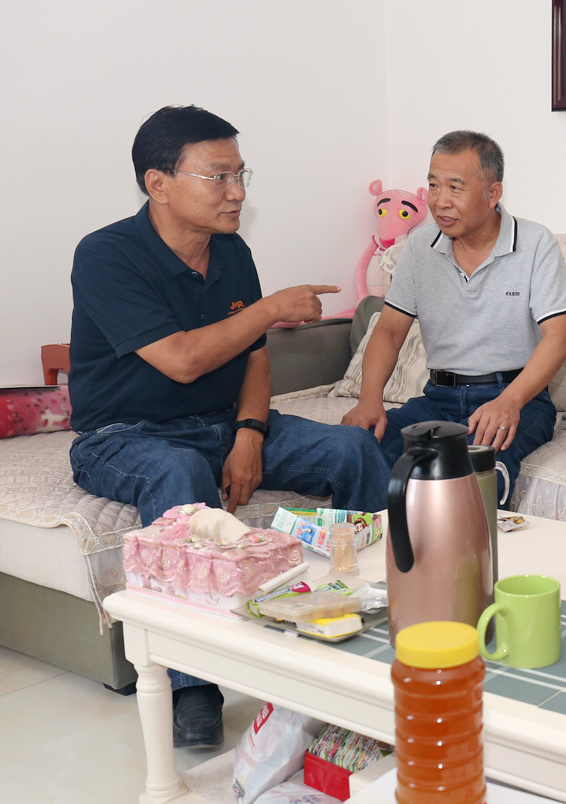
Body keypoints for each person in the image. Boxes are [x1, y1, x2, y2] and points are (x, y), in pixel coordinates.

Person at [69, 105, 389, 748]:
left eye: (241, 174)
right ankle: (193, 686)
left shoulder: (232, 251)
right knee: (179, 472)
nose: (237, 191)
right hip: (125, 435)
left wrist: (249, 433)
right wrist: (270, 308)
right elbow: (182, 360)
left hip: (221, 422)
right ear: (158, 183)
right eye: (218, 176)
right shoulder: (106, 255)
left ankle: (368, 613)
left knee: (352, 448)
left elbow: (255, 358)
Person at [342, 131, 566, 499]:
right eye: (433, 185)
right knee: (356, 452)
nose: (440, 201)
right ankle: (373, 537)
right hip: (438, 400)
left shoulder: (535, 243)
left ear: (492, 193)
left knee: (472, 472)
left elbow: (558, 339)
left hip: (516, 396)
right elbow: (388, 332)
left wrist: (510, 402)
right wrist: (369, 399)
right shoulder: (419, 246)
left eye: (455, 187)